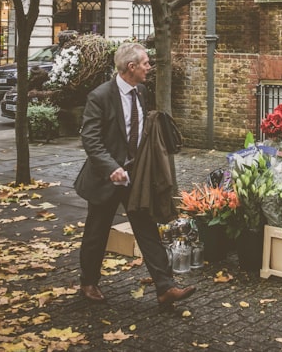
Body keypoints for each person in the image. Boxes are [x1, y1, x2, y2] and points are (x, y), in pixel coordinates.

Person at [73, 41, 195, 309]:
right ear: (131, 67)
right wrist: (111, 168)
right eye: (145, 63)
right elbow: (90, 139)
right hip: (106, 177)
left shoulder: (140, 91)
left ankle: (165, 288)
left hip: (134, 178)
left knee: (147, 229)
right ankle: (88, 282)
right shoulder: (100, 96)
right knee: (96, 231)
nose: (148, 67)